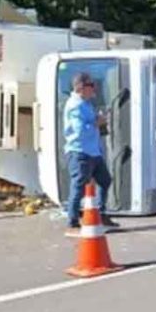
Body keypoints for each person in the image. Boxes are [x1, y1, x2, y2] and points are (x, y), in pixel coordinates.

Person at [63, 72, 117, 236]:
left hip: (93, 152)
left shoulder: (86, 103)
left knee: (105, 180)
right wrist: (96, 122)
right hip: (80, 151)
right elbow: (79, 131)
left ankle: (100, 213)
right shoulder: (75, 105)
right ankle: (72, 223)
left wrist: (98, 120)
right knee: (78, 186)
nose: (94, 88)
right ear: (81, 87)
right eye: (91, 85)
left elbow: (90, 126)